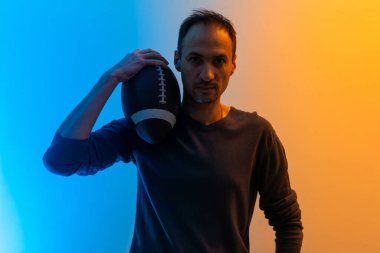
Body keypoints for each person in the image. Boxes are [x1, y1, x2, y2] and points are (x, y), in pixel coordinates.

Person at [43, 9, 303, 253]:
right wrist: (111, 77)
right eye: (195, 60)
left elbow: (287, 221)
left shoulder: (256, 134)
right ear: (177, 60)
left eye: (219, 61)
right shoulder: (145, 126)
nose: (207, 75)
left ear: (233, 64)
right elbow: (60, 160)